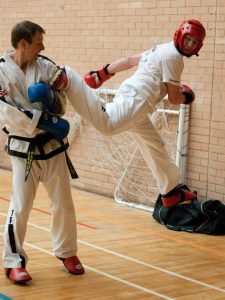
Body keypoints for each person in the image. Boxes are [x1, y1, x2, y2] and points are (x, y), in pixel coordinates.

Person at [29, 20, 205, 207]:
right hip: (137, 101)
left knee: (155, 145)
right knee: (108, 125)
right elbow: (174, 98)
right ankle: (70, 79)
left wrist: (103, 73)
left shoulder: (162, 48)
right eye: (188, 39)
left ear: (198, 47)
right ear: (180, 35)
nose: (190, 45)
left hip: (137, 103)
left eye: (194, 43)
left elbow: (130, 61)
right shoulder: (174, 58)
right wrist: (187, 96)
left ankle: (170, 191)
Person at [0, 20, 84, 284]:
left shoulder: (46, 65)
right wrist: (42, 120)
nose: (43, 46)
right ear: (23, 43)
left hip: (52, 147)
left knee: (63, 204)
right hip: (23, 149)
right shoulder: (1, 71)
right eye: (38, 42)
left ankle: (67, 252)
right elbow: (5, 112)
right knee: (21, 206)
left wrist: (53, 104)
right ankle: (13, 261)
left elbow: (61, 103)